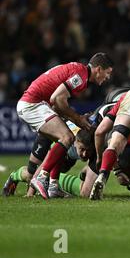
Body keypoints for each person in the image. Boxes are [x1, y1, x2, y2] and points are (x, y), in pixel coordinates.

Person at [17, 53, 113, 199]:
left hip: (36, 104)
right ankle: (41, 178)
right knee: (67, 137)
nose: (108, 77)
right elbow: (57, 99)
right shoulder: (80, 76)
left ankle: (53, 185)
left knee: (63, 141)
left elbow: (56, 105)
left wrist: (76, 119)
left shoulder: (78, 71)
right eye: (108, 73)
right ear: (98, 69)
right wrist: (77, 118)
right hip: (33, 105)